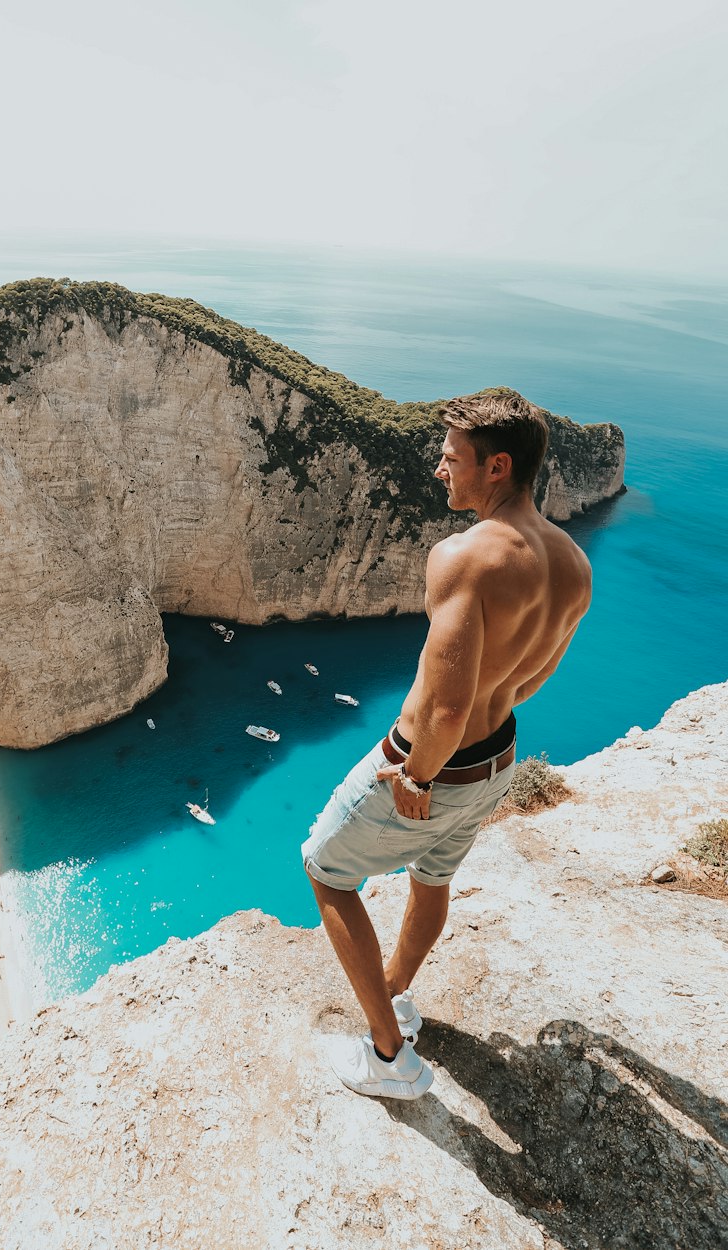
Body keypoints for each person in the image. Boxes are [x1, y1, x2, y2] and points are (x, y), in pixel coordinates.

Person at [302, 391, 592, 1100]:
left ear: (497, 466)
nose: (438, 469)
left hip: (434, 763)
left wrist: (417, 776)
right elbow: (533, 676)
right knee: (432, 879)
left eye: (451, 457)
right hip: (498, 764)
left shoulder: (463, 559)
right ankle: (395, 992)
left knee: (326, 869)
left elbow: (448, 703)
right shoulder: (573, 563)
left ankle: (389, 1055)